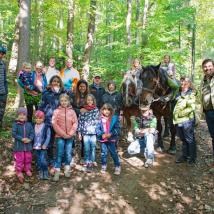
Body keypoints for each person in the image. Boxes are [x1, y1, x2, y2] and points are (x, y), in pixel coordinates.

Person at [39, 75, 66, 170]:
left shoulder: (63, 93)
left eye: (58, 81)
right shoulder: (46, 93)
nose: (56, 83)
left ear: (60, 83)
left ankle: (60, 160)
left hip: (60, 121)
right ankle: (50, 160)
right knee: (49, 141)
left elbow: (67, 104)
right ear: (51, 82)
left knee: (60, 141)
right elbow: (41, 106)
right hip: (49, 120)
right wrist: (41, 116)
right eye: (54, 81)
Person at [52, 93, 78, 181]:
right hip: (60, 136)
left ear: (68, 101)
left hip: (70, 136)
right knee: (59, 153)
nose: (63, 102)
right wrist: (63, 134)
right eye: (62, 101)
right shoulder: (56, 111)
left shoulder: (72, 111)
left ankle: (67, 169)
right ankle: (57, 171)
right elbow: (54, 123)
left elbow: (75, 123)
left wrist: (70, 133)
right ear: (59, 101)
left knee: (68, 152)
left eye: (65, 100)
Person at [174, 77, 196, 165]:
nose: (183, 83)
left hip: (187, 120)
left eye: (185, 81)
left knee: (189, 139)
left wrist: (180, 114)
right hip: (178, 121)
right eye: (182, 81)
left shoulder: (191, 93)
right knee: (183, 139)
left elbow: (191, 107)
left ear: (189, 84)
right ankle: (185, 156)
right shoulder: (178, 93)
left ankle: (192, 158)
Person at [96, 103, 121, 175]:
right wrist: (101, 134)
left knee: (113, 153)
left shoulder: (114, 118)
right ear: (102, 110)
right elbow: (97, 129)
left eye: (108, 109)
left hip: (111, 139)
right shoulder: (100, 118)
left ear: (111, 111)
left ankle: (117, 166)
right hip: (103, 139)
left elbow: (117, 129)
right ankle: (104, 165)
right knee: (103, 153)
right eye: (104, 109)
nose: (106, 111)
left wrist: (111, 134)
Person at [12, 107, 34, 183]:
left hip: (28, 146)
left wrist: (30, 139)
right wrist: (21, 139)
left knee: (28, 158)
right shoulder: (15, 124)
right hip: (19, 146)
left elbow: (32, 133)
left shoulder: (29, 124)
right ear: (17, 116)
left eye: (24, 114)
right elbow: (14, 134)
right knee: (20, 159)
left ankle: (27, 169)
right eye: (20, 114)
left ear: (26, 116)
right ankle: (19, 171)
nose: (22, 116)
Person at [77, 94, 99, 171]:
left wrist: (98, 132)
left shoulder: (96, 109)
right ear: (86, 101)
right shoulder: (83, 110)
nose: (90, 101)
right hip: (85, 133)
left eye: (91, 100)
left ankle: (92, 161)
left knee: (92, 147)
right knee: (86, 148)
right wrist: (79, 133)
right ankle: (86, 161)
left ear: (93, 101)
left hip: (93, 133)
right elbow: (80, 121)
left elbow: (97, 121)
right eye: (88, 100)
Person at [200, 59, 214, 156]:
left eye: (209, 66)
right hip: (208, 112)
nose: (207, 68)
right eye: (205, 67)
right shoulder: (203, 81)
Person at [33, 110, 51, 180]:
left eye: (40, 118)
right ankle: (40, 171)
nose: (38, 119)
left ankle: (45, 171)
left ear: (43, 119)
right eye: (37, 118)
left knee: (43, 159)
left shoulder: (46, 127)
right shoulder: (33, 126)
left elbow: (48, 136)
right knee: (38, 160)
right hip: (36, 146)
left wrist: (45, 144)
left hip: (43, 147)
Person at [0, 45, 8, 130]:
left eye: (2, 54)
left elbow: (5, 78)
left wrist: (6, 91)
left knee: (1, 113)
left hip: (2, 93)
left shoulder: (3, 63)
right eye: (0, 53)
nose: (1, 55)